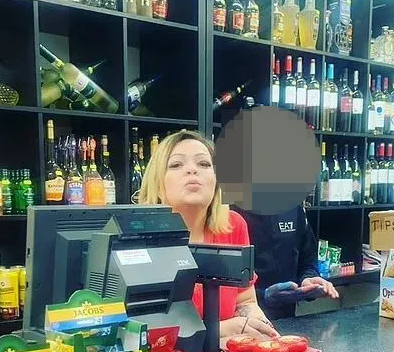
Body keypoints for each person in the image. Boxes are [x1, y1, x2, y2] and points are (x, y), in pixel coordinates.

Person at [138, 130, 278, 340]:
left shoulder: (233, 225)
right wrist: (220, 331)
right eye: (176, 165)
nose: (192, 170)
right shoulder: (140, 238)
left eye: (204, 164)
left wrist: (263, 332)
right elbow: (144, 333)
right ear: (157, 183)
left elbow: (245, 301)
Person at [231, 203, 339, 320]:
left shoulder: (293, 207)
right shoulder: (231, 212)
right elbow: (221, 279)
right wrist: (263, 296)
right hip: (241, 321)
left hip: (287, 317)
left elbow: (307, 259)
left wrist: (307, 279)